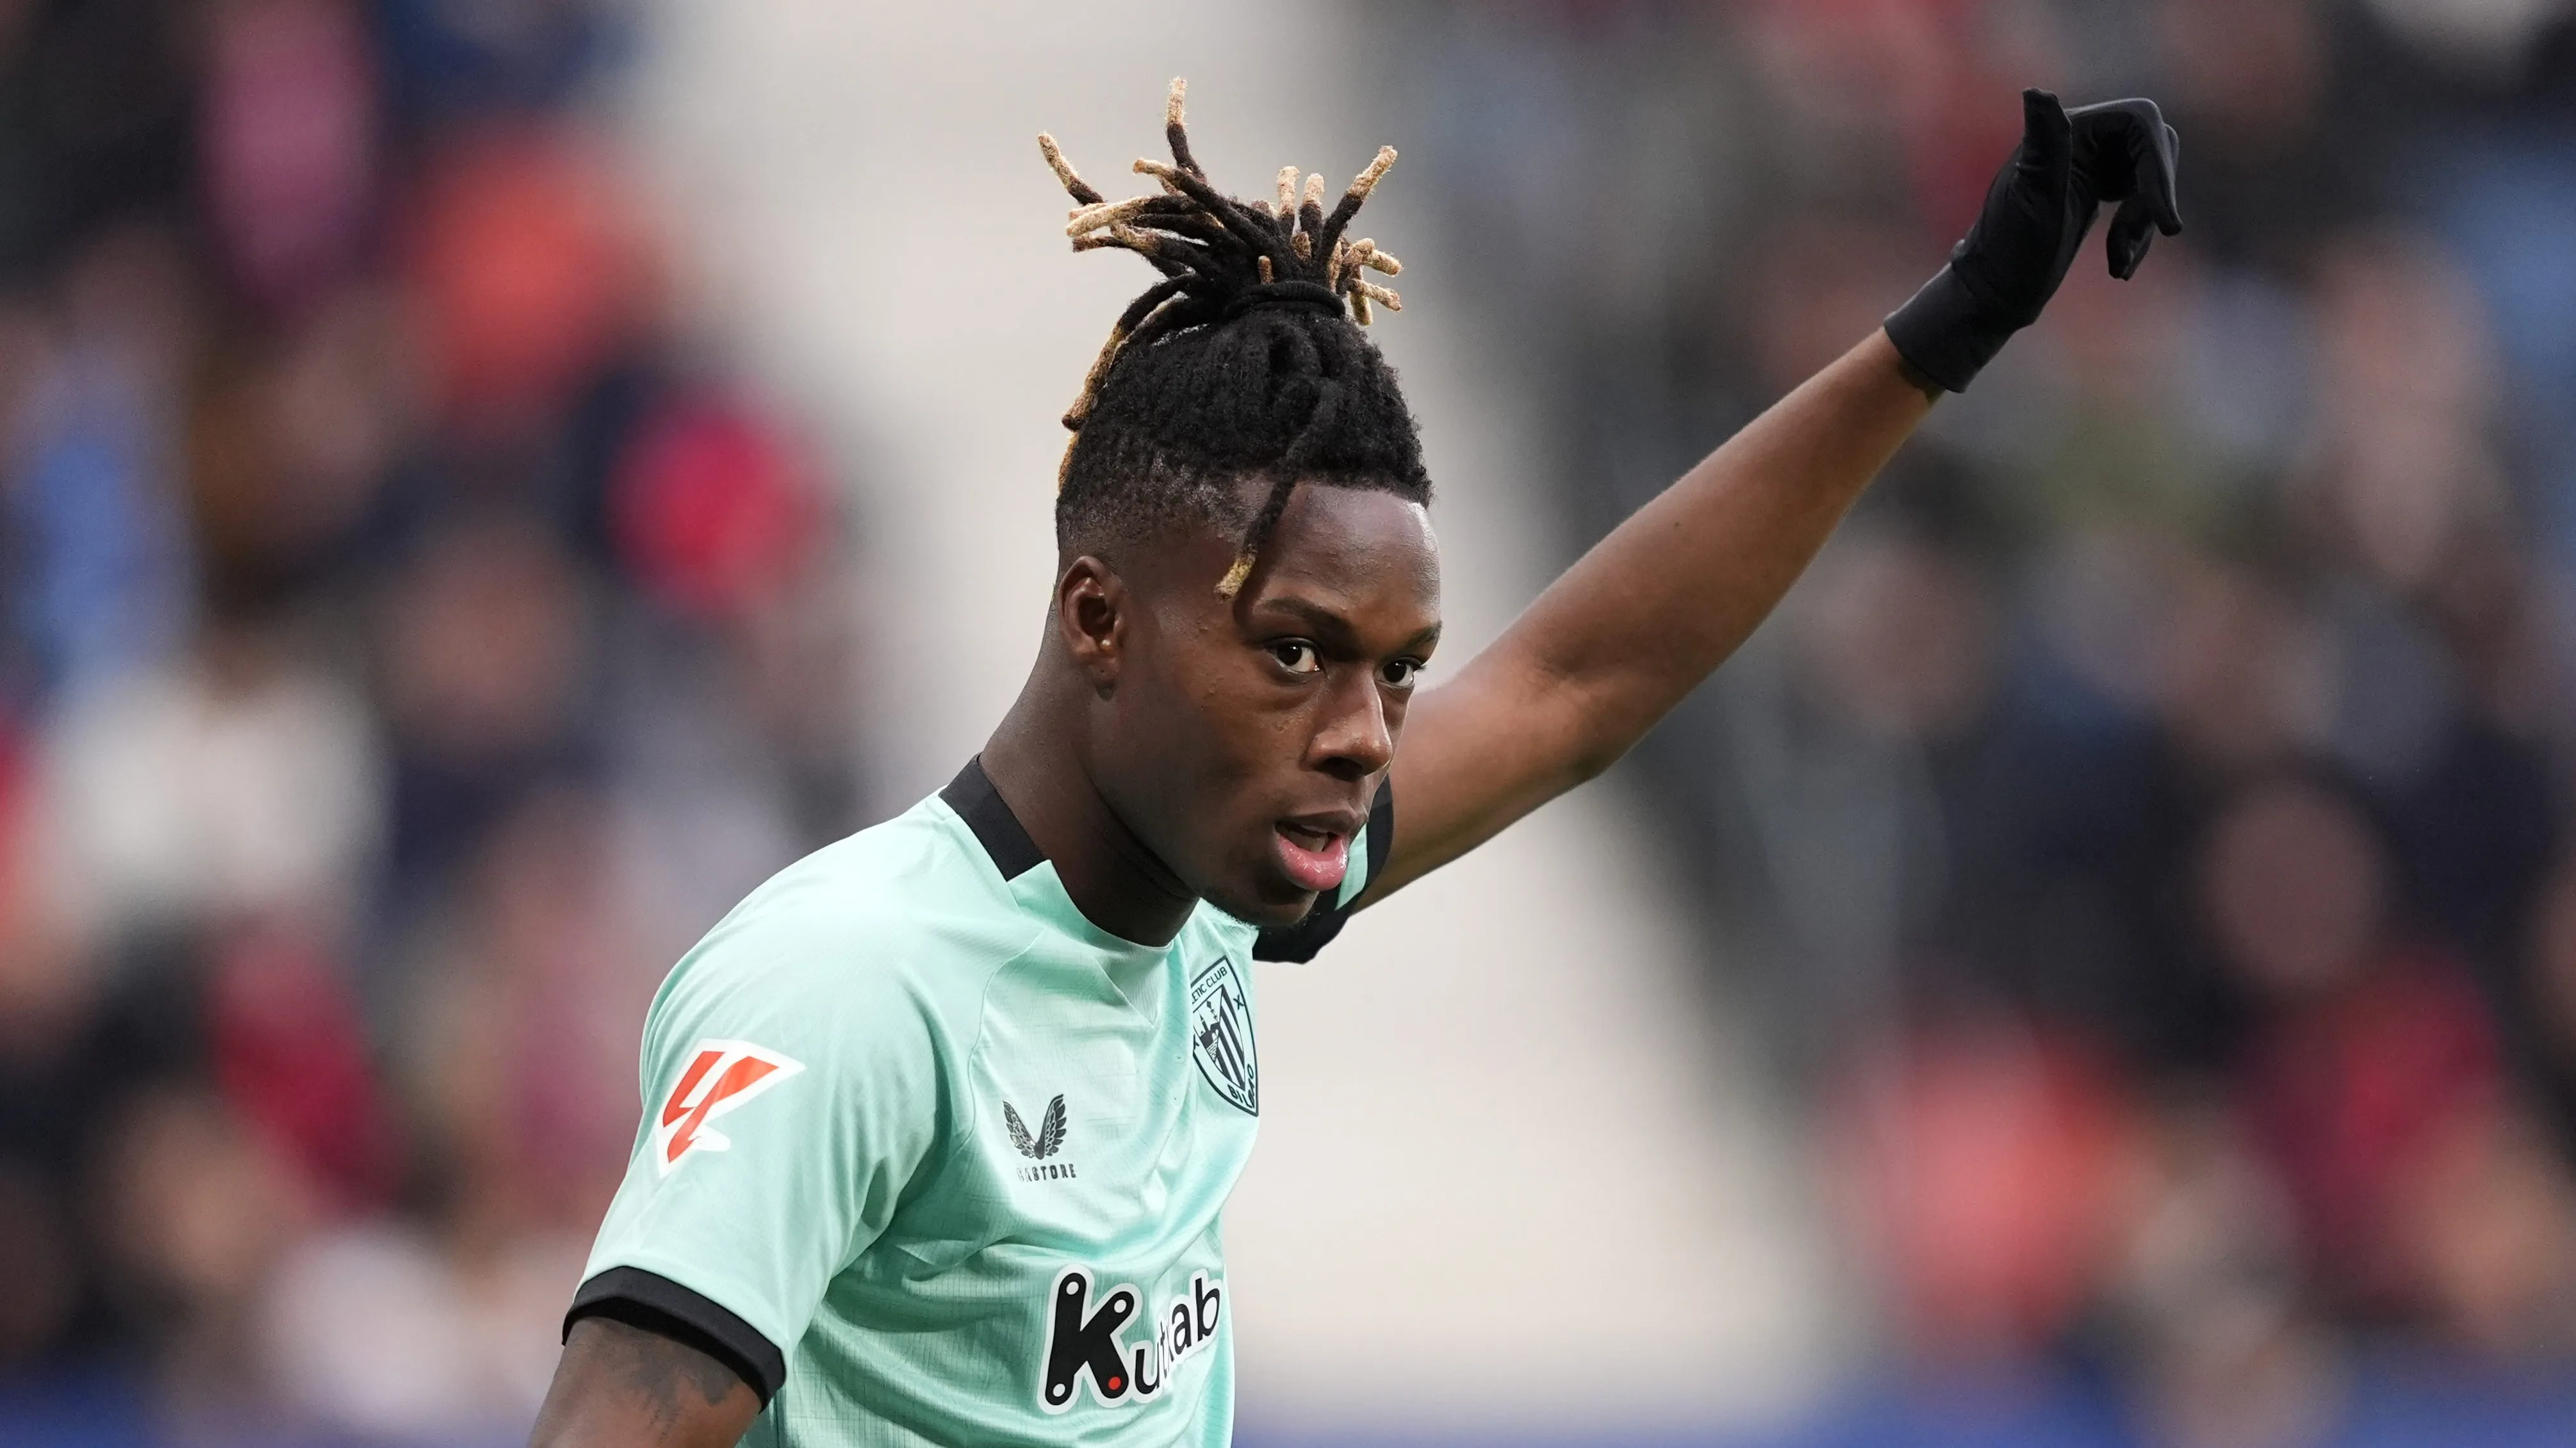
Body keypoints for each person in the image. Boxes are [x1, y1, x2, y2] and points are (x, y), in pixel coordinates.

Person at [527, 79, 2180, 1447]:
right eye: (1295, 653)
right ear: (1100, 619)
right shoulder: (850, 987)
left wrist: (1951, 326)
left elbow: (1574, 685)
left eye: (1395, 672)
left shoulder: (1205, 894)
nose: (1363, 733)